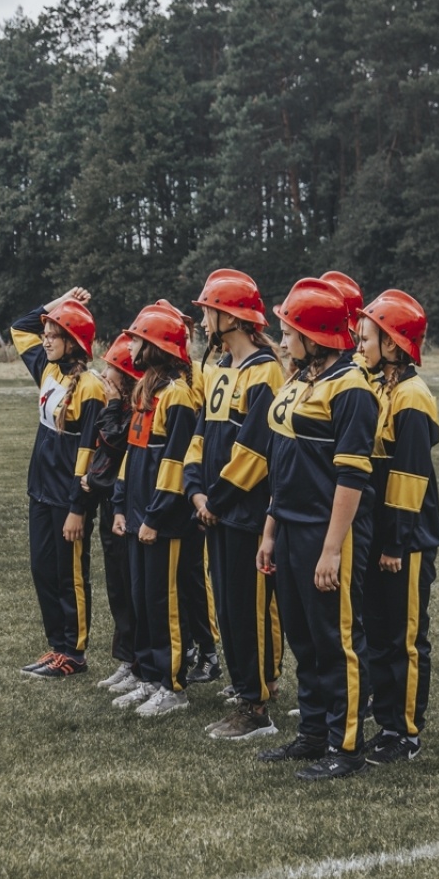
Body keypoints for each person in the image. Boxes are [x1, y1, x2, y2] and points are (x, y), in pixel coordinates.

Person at [255, 278, 378, 779]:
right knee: (303, 638)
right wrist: (270, 529)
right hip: (290, 526)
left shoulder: (351, 388)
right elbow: (281, 464)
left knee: (335, 639)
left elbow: (352, 477)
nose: (283, 340)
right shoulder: (300, 379)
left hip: (327, 533)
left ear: (315, 335)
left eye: (290, 332)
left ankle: (345, 746)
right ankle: (312, 732)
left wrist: (332, 549)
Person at [185, 269, 286, 740]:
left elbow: (255, 450)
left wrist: (218, 500)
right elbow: (201, 434)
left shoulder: (265, 370)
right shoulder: (219, 367)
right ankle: (247, 686)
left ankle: (255, 706)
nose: (203, 318)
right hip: (216, 510)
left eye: (209, 310)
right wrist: (195, 490)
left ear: (231, 317)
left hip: (243, 514)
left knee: (246, 609)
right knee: (227, 607)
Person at [109, 301, 205, 717]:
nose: (128, 345)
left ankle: (172, 684)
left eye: (135, 339)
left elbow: (175, 463)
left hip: (162, 522)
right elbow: (133, 455)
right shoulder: (146, 392)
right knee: (142, 600)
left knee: (164, 604)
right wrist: (120, 505)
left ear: (154, 346)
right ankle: (148, 675)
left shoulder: (177, 396)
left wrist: (155, 516)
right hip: (137, 516)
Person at [357, 290, 439, 765]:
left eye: (367, 338)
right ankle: (387, 723)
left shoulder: (412, 396)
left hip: (404, 541)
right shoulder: (380, 385)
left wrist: (394, 543)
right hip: (379, 535)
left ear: (391, 344)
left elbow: (409, 478)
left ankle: (405, 732)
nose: (360, 345)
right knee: (380, 634)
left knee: (404, 638)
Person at [7, 287, 106, 678]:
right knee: (43, 569)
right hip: (41, 490)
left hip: (69, 498)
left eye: (54, 335)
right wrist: (62, 301)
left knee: (71, 575)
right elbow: (20, 327)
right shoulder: (48, 369)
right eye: (46, 333)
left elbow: (90, 451)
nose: (45, 339)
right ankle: (56, 646)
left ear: (74, 341)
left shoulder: (91, 387)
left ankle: (74, 653)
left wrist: (78, 507)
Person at [80, 339, 144, 692]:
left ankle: (139, 663)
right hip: (111, 506)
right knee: (118, 589)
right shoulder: (116, 407)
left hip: (128, 508)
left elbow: (115, 444)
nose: (104, 374)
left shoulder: (133, 409)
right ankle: (127, 659)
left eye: (111, 369)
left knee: (132, 590)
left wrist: (115, 403)